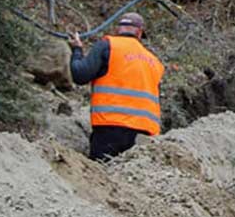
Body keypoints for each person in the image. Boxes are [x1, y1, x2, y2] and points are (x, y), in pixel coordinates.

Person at [68, 11, 164, 161]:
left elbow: (80, 75)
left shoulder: (108, 46)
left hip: (110, 128)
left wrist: (77, 50)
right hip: (144, 135)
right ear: (139, 33)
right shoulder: (155, 62)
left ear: (118, 29)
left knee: (101, 178)